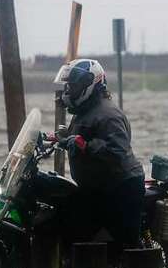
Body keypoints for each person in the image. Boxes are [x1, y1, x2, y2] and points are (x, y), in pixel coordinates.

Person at [51, 59, 145, 251]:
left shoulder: (108, 114)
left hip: (120, 186)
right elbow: (78, 136)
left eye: (74, 86)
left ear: (90, 84)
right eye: (69, 86)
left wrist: (85, 145)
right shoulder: (84, 111)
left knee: (127, 245)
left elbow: (116, 149)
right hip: (97, 186)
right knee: (68, 217)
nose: (70, 90)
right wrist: (57, 138)